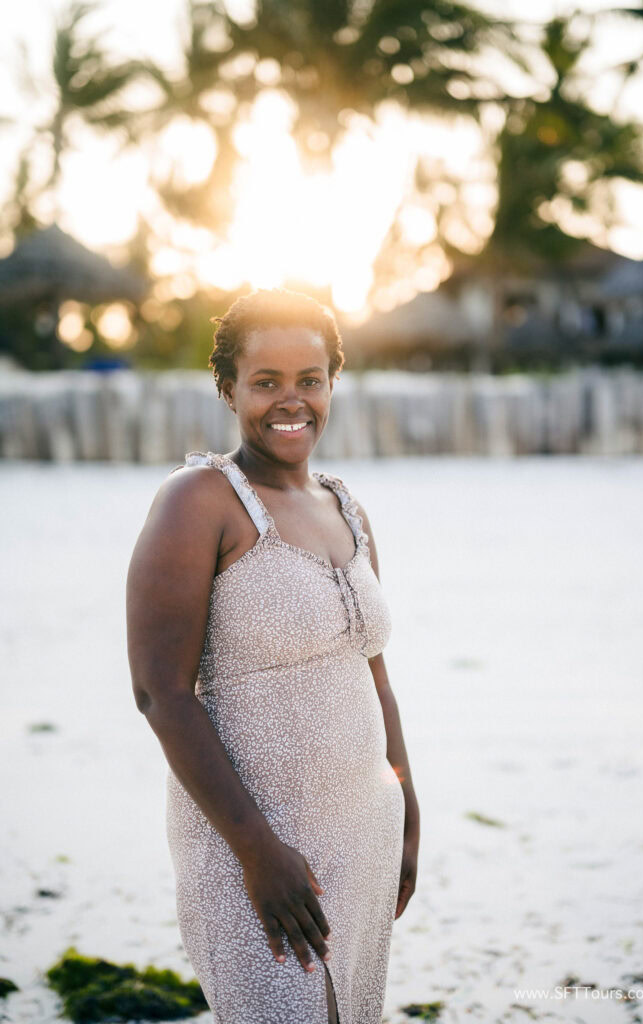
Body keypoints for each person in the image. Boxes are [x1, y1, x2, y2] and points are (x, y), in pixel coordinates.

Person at [126, 288, 420, 1024]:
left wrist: (407, 806)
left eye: (309, 380)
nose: (291, 401)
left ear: (332, 383)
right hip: (251, 846)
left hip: (363, 832)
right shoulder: (199, 501)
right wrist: (257, 852)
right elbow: (160, 692)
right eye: (266, 382)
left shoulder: (347, 507)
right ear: (229, 390)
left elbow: (374, 673)